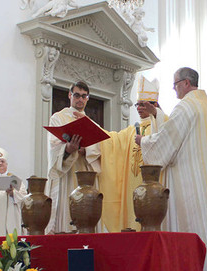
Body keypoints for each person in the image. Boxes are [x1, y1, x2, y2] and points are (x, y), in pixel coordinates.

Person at [135, 67, 207, 271]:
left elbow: (166, 142)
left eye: (175, 85)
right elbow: (175, 129)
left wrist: (143, 140)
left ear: (186, 83)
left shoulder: (185, 107)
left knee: (192, 231)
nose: (174, 90)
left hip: (190, 185)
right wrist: (158, 114)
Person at [95, 77, 168, 232]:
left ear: (153, 105)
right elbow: (111, 141)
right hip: (132, 186)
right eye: (137, 104)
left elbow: (165, 142)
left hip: (153, 185)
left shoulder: (163, 123)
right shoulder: (131, 130)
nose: (139, 108)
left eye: (143, 104)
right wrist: (91, 127)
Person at [46, 81, 102, 234]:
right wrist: (67, 149)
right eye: (77, 95)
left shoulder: (92, 124)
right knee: (66, 220)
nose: (80, 100)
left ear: (88, 99)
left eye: (84, 96)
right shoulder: (58, 118)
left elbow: (100, 149)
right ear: (70, 95)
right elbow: (53, 146)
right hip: (67, 175)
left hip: (85, 174)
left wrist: (86, 149)